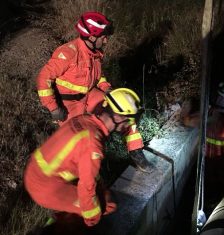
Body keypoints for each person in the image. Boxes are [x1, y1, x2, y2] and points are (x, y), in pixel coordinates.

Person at [36, 11, 152, 172]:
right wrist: (53, 108)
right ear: (91, 37)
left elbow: (99, 76)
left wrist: (107, 89)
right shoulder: (68, 53)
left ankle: (135, 150)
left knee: (124, 108)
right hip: (68, 105)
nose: (106, 39)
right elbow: (44, 78)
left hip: (90, 95)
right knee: (79, 143)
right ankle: (87, 175)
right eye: (103, 36)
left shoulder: (95, 54)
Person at [24, 88, 149, 227]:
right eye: (130, 120)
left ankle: (58, 217)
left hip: (38, 170)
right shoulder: (92, 144)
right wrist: (92, 219)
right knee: (107, 205)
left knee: (99, 192)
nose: (130, 125)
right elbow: (86, 187)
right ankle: (61, 228)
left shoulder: (84, 119)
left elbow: (84, 166)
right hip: (44, 187)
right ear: (119, 118)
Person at [181, 81, 224, 202]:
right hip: (207, 164)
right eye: (219, 97)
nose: (220, 101)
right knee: (206, 191)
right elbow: (187, 121)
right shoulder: (208, 112)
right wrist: (189, 105)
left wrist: (220, 122)